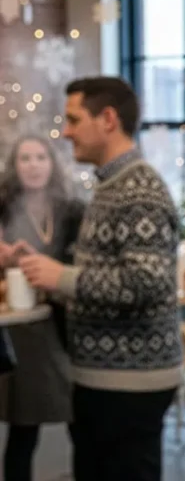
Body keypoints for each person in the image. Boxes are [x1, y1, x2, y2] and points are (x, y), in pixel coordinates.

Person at [18, 76, 183, 481]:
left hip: (130, 382)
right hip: (106, 379)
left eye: (74, 119)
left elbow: (148, 281)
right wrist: (43, 271)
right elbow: (102, 273)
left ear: (108, 119)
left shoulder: (139, 188)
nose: (67, 131)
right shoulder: (111, 185)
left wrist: (64, 277)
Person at [0, 135, 85, 481]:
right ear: (14, 166)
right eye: (25, 158)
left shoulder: (73, 210)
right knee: (24, 426)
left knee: (80, 421)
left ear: (52, 163)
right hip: (20, 330)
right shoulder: (3, 208)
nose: (33, 165)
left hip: (68, 327)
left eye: (40, 157)